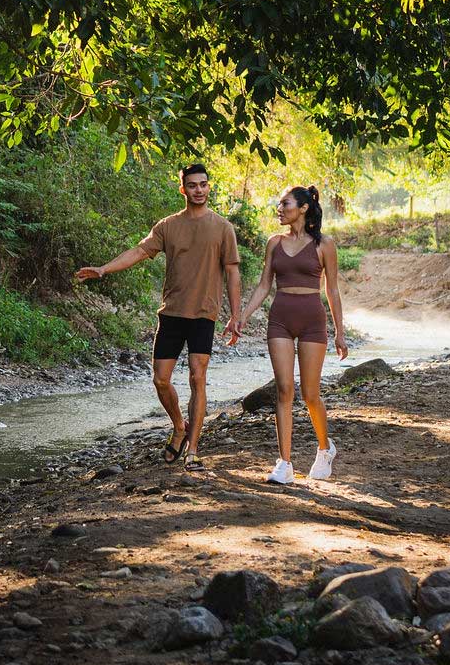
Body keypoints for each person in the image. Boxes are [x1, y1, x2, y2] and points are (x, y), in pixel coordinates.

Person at [77, 164, 241, 467]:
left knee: (197, 378)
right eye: (192, 185)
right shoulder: (168, 225)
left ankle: (193, 450)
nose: (199, 190)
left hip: (204, 314)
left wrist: (235, 315)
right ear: (183, 190)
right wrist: (103, 269)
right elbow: (139, 251)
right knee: (161, 380)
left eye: (203, 184)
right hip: (172, 314)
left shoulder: (223, 228)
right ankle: (179, 426)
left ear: (209, 187)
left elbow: (232, 273)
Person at [225, 185, 347, 483]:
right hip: (279, 320)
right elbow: (265, 285)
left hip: (312, 322)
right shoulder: (274, 242)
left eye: (285, 204)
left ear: (303, 208)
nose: (279, 209)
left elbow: (331, 290)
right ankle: (285, 463)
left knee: (310, 393)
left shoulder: (324, 245)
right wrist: (240, 317)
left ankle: (324, 448)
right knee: (283, 390)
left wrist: (339, 332)